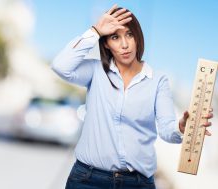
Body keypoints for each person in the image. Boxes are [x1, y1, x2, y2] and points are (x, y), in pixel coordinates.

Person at [51, 4, 213, 189]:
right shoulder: (95, 70)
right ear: (106, 44)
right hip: (87, 179)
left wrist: (182, 127)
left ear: (137, 37)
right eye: (115, 37)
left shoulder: (158, 80)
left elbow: (168, 131)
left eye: (129, 34)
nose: (125, 44)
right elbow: (60, 65)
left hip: (137, 184)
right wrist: (95, 31)